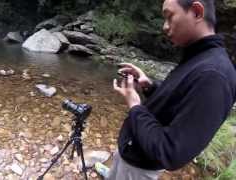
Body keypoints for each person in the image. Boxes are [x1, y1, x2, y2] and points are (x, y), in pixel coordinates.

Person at [95, 0, 236, 179]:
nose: (165, 26)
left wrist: (135, 105)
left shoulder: (214, 76)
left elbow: (169, 152)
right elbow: (178, 101)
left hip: (138, 170)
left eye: (169, 17)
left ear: (197, 12)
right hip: (130, 155)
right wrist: (149, 86)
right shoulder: (199, 57)